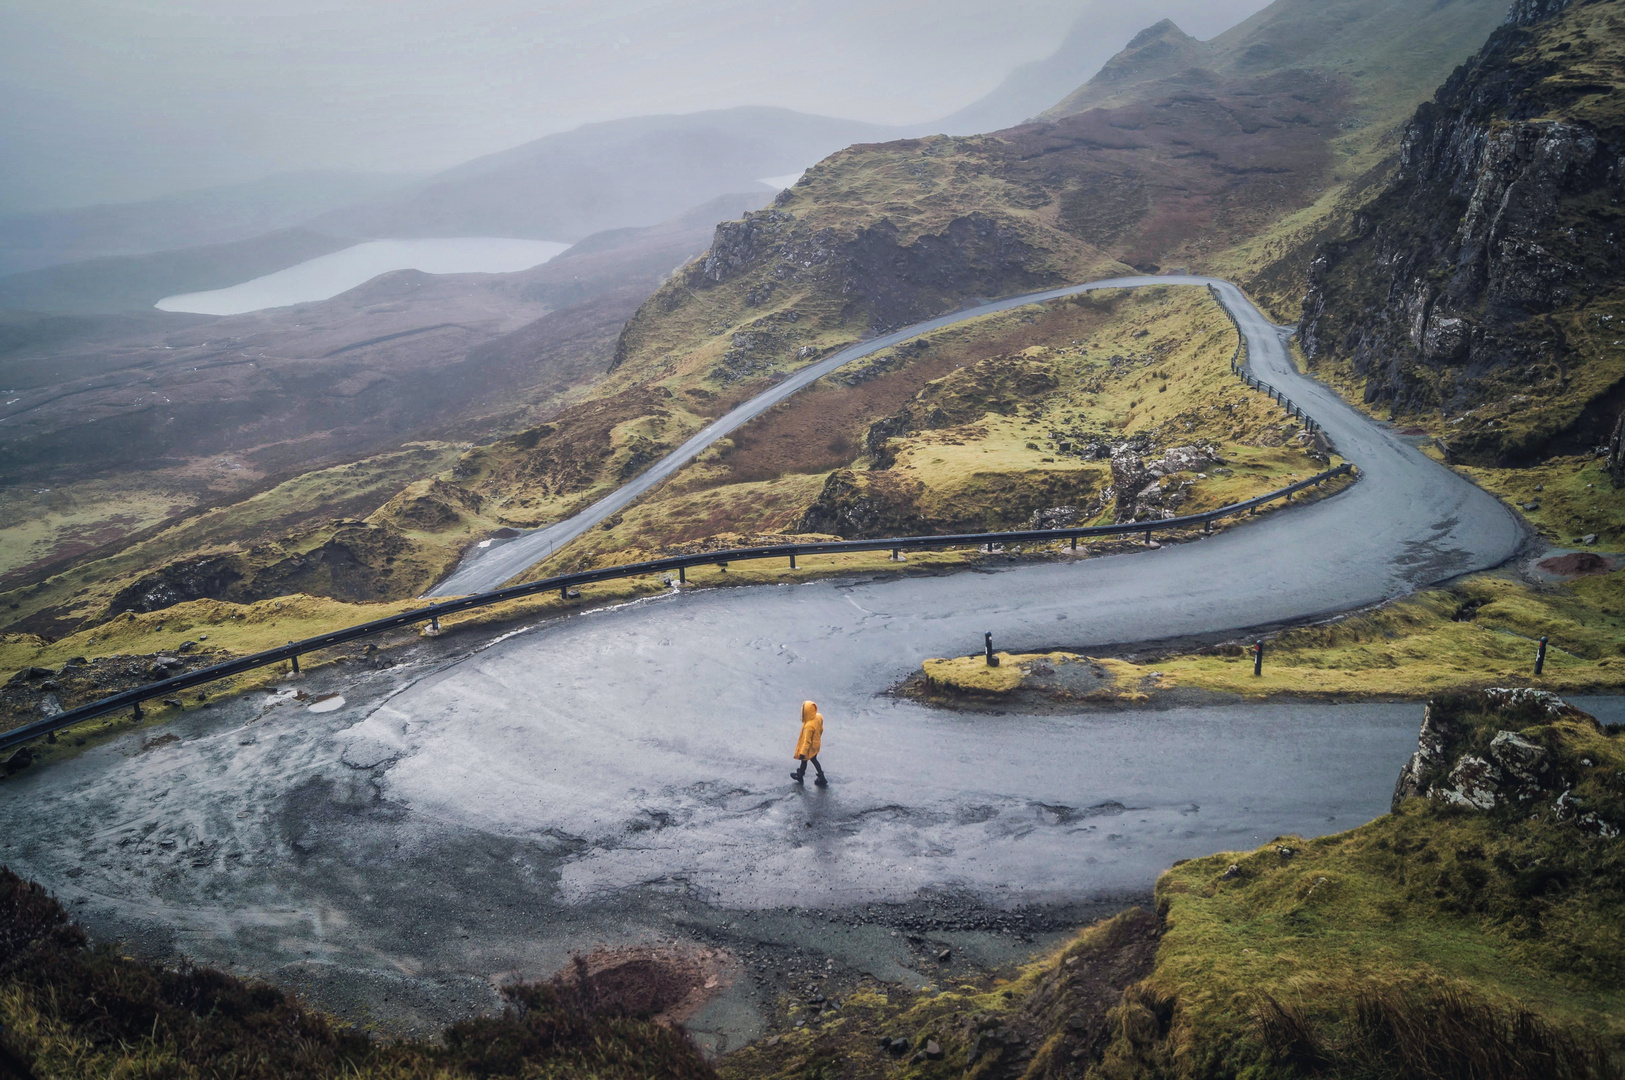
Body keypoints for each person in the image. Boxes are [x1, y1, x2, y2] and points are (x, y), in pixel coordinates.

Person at [792, 700, 827, 786]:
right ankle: (821, 776)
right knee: (814, 760)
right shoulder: (818, 717)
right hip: (816, 744)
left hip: (810, 747)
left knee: (805, 760)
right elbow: (821, 729)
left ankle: (800, 775)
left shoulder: (808, 726)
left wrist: (802, 753)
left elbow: (807, 741)